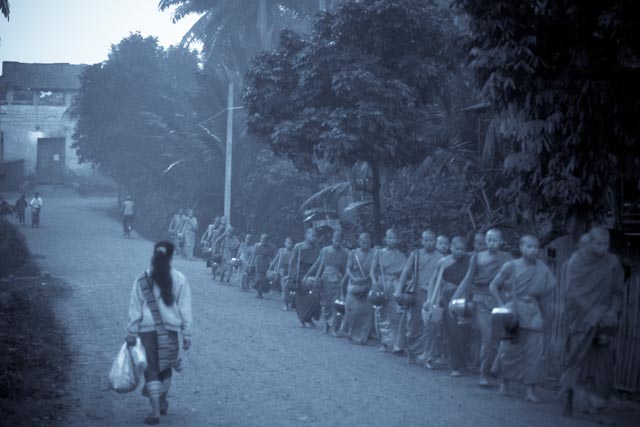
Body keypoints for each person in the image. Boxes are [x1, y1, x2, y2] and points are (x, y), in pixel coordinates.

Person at [125, 241, 192, 425]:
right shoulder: (180, 279)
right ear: (171, 257)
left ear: (153, 255)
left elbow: (135, 308)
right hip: (170, 331)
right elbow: (185, 310)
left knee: (151, 369)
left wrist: (132, 332)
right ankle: (162, 402)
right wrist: (186, 334)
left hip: (146, 331)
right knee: (166, 366)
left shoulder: (141, 279)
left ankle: (155, 412)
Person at [560, 227, 624, 419]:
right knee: (577, 360)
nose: (603, 248)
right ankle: (570, 399)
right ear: (590, 242)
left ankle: (597, 404)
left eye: (606, 244)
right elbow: (572, 294)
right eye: (598, 244)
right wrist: (594, 313)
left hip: (606, 321)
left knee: (604, 361)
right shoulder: (576, 262)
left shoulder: (613, 263)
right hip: (583, 319)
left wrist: (612, 311)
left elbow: (617, 292)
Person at [489, 235, 556, 402]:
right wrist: (502, 306)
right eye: (529, 246)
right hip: (513, 312)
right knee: (509, 350)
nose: (533, 250)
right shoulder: (511, 266)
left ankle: (530, 391)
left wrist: (546, 316)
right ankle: (504, 384)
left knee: (534, 353)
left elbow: (545, 296)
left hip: (534, 313)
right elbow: (493, 286)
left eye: (535, 247)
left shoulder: (543, 269)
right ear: (521, 248)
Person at [452, 228, 512, 386]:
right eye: (489, 239)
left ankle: (495, 371)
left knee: (501, 338)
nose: (492, 243)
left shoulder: (507, 259)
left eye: (495, 240)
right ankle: (483, 375)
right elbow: (468, 279)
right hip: (481, 300)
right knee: (487, 337)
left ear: (501, 242)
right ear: (486, 241)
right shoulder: (477, 258)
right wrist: (455, 298)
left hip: (500, 300)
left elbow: (512, 281)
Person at [396, 230, 442, 365]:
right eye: (426, 240)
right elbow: (405, 272)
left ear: (435, 241)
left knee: (430, 326)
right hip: (417, 294)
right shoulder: (415, 255)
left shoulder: (440, 257)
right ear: (422, 241)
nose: (429, 243)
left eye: (432, 240)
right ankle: (412, 352)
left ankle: (427, 356)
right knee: (413, 325)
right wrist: (399, 289)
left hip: (433, 295)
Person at [435, 236, 472, 377]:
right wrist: (435, 299)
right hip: (448, 297)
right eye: (457, 248)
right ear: (451, 248)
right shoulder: (444, 262)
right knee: (452, 331)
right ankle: (454, 366)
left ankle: (463, 362)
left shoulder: (469, 261)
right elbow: (437, 282)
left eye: (462, 249)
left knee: (465, 331)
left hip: (466, 298)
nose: (459, 252)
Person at [370, 229, 408, 353]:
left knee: (396, 315)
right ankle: (384, 342)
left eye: (394, 238)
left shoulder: (401, 256)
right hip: (382, 285)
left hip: (395, 285)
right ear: (385, 239)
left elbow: (405, 273)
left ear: (398, 240)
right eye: (389, 238)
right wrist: (375, 284)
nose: (392, 240)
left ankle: (397, 344)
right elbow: (372, 271)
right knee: (381, 314)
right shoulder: (379, 253)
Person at [306, 230, 350, 335]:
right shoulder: (325, 250)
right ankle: (326, 325)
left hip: (338, 280)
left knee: (337, 304)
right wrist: (308, 275)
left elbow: (347, 269)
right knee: (326, 304)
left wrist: (345, 281)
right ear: (332, 239)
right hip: (325, 280)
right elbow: (317, 264)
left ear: (342, 241)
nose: (337, 243)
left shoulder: (346, 253)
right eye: (335, 240)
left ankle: (334, 328)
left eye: (339, 241)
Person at [342, 233, 375, 344]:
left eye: (367, 243)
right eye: (363, 242)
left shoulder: (374, 254)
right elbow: (348, 268)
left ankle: (363, 336)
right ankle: (352, 332)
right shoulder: (353, 253)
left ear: (370, 243)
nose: (365, 245)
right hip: (355, 284)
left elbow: (375, 270)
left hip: (367, 285)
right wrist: (354, 278)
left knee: (367, 312)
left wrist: (367, 278)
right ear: (359, 242)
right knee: (353, 311)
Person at [289, 228, 321, 327]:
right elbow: (292, 261)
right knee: (301, 298)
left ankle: (309, 318)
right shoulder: (298, 246)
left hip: (312, 273)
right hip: (300, 273)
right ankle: (302, 319)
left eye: (315, 236)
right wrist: (290, 275)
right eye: (312, 236)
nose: (314, 238)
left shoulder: (317, 248)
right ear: (306, 235)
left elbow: (319, 263)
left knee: (314, 297)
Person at [269, 237, 294, 311]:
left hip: (291, 270)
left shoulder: (293, 251)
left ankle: (290, 301)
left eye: (291, 243)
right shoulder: (281, 250)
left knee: (289, 287)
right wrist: (270, 268)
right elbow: (276, 259)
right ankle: (285, 304)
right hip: (282, 270)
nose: (289, 244)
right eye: (288, 243)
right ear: (285, 243)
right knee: (284, 287)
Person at [251, 234, 276, 298]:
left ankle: (260, 293)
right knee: (259, 278)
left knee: (263, 280)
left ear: (267, 240)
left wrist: (271, 265)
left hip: (266, 264)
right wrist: (251, 262)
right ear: (260, 239)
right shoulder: (257, 245)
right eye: (262, 238)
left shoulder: (271, 247)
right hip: (258, 263)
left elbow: (272, 257)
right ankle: (257, 290)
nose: (263, 240)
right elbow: (253, 254)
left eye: (265, 239)